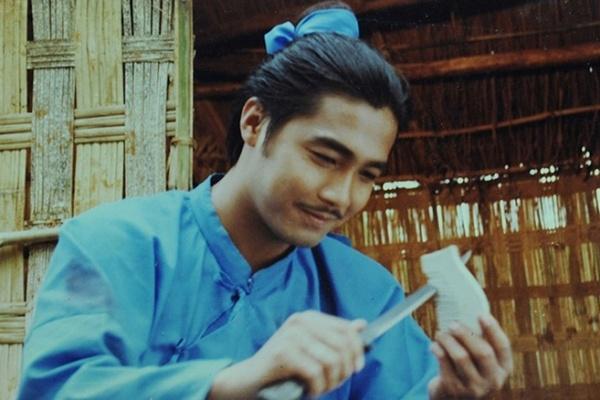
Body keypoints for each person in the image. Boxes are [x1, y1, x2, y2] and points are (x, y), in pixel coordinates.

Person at [18, 2, 513, 399]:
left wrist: (446, 395)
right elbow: (55, 389)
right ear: (254, 123)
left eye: (366, 174)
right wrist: (233, 384)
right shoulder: (115, 243)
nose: (340, 196)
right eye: (324, 157)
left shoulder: (366, 292)